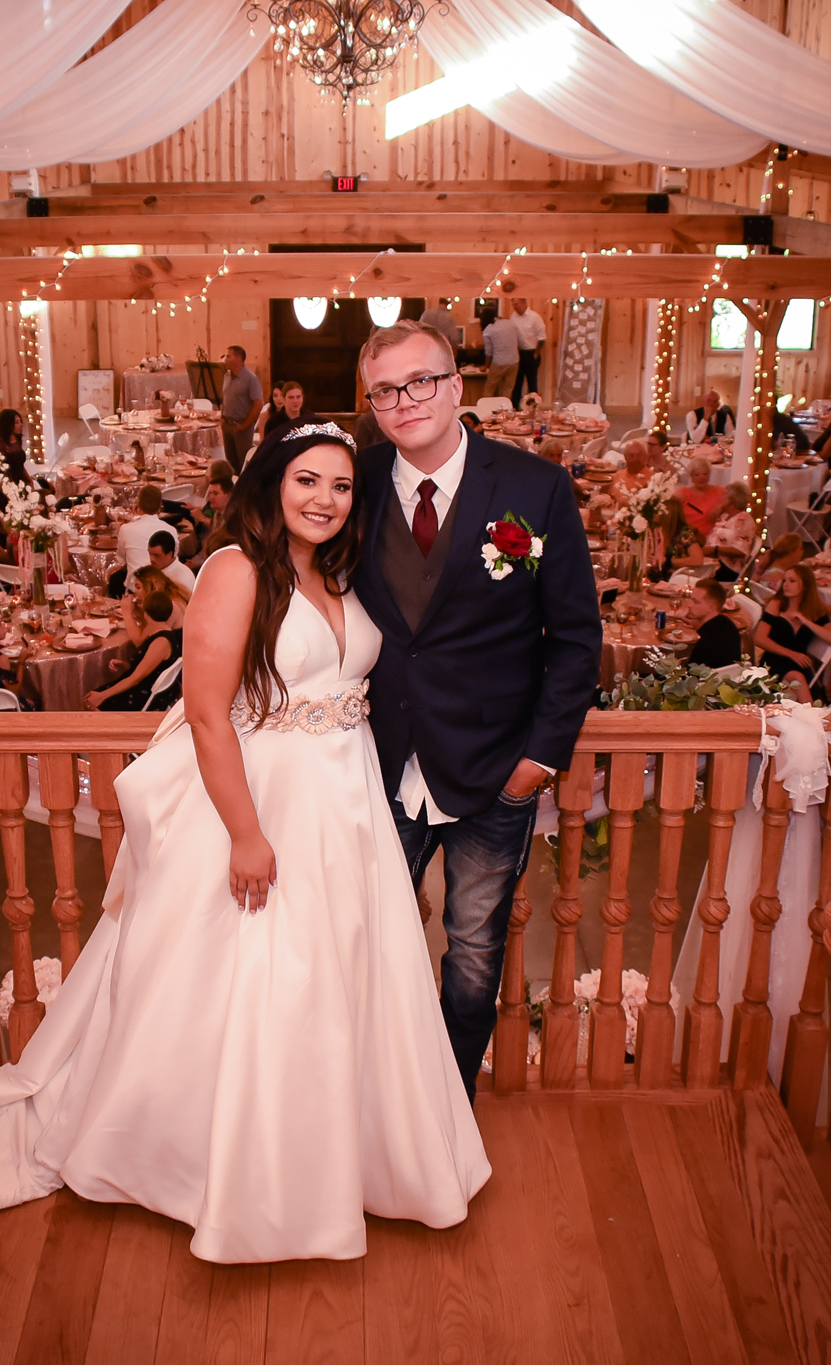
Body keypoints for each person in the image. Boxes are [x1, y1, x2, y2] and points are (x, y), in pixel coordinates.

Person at [0, 422, 491, 1262]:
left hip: (345, 795)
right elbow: (207, 710)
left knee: (350, 968)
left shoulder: (339, 573)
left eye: (342, 486)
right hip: (267, 793)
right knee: (261, 974)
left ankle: (343, 1157)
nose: (324, 498)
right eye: (307, 480)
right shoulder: (236, 568)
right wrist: (246, 833)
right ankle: (237, 1170)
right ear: (273, 482)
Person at [352, 318, 602, 1100]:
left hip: (498, 771)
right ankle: (372, 1106)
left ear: (458, 386)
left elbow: (576, 635)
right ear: (373, 405)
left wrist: (538, 761)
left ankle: (449, 1109)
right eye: (386, 390)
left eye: (421, 379)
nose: (406, 399)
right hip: (377, 763)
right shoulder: (348, 485)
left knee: (472, 957)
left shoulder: (534, 488)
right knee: (366, 946)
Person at [85, 590, 178, 712]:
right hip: (144, 687)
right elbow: (152, 667)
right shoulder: (160, 633)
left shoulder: (161, 641)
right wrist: (126, 665)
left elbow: (136, 678)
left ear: (146, 614)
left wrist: (102, 696)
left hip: (143, 694)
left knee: (91, 700)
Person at [756, 565, 831, 702]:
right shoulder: (777, 605)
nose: (786, 585)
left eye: (792, 581)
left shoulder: (815, 610)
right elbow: (759, 638)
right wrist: (792, 654)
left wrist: (807, 622)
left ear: (805, 585)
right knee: (797, 679)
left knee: (797, 684)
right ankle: (810, 719)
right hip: (775, 660)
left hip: (800, 664)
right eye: (785, 581)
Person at [108, 484, 166, 597]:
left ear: (138, 506)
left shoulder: (126, 529)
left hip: (134, 588)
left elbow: (121, 560)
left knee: (115, 578)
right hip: (162, 586)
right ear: (160, 505)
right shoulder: (171, 530)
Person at [220, 345, 263, 473]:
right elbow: (226, 397)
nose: (225, 359)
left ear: (238, 358)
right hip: (227, 425)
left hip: (241, 427)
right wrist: (222, 416)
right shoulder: (227, 376)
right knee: (231, 464)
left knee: (244, 463)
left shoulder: (251, 379)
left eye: (228, 356)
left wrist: (245, 425)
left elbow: (258, 404)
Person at [705, 482, 757, 582]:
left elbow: (741, 550)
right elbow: (710, 517)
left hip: (727, 567)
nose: (721, 497)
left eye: (724, 494)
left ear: (731, 499)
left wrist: (714, 550)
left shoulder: (744, 519)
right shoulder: (724, 516)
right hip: (711, 560)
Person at [685, 579, 742, 668]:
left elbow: (690, 674)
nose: (689, 605)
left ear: (712, 607)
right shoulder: (726, 623)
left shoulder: (706, 640)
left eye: (696, 602)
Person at [675, 456, 726, 537]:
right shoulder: (682, 493)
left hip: (715, 537)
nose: (702, 477)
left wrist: (720, 506)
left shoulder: (720, 491)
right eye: (697, 474)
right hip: (689, 537)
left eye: (705, 474)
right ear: (691, 476)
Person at [509, 299, 546, 409]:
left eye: (517, 304)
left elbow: (542, 338)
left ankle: (533, 408)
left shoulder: (535, 317)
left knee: (532, 383)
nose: (515, 307)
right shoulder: (513, 317)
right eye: (513, 305)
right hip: (518, 353)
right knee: (517, 383)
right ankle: (515, 409)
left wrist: (536, 354)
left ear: (524, 303)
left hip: (532, 352)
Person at [658, 499, 705, 578]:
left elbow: (698, 559)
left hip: (674, 579)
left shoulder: (684, 533)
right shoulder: (655, 530)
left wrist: (668, 562)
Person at [480, 307, 519, 399]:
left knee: (489, 389)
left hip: (499, 362)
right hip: (514, 361)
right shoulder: (510, 323)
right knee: (507, 390)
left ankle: (486, 410)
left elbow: (489, 352)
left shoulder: (488, 330)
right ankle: (504, 412)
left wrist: (486, 366)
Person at [148, 526, 196, 596]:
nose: (151, 559)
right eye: (150, 554)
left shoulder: (184, 577)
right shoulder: (149, 569)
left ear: (170, 554)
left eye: (156, 555)